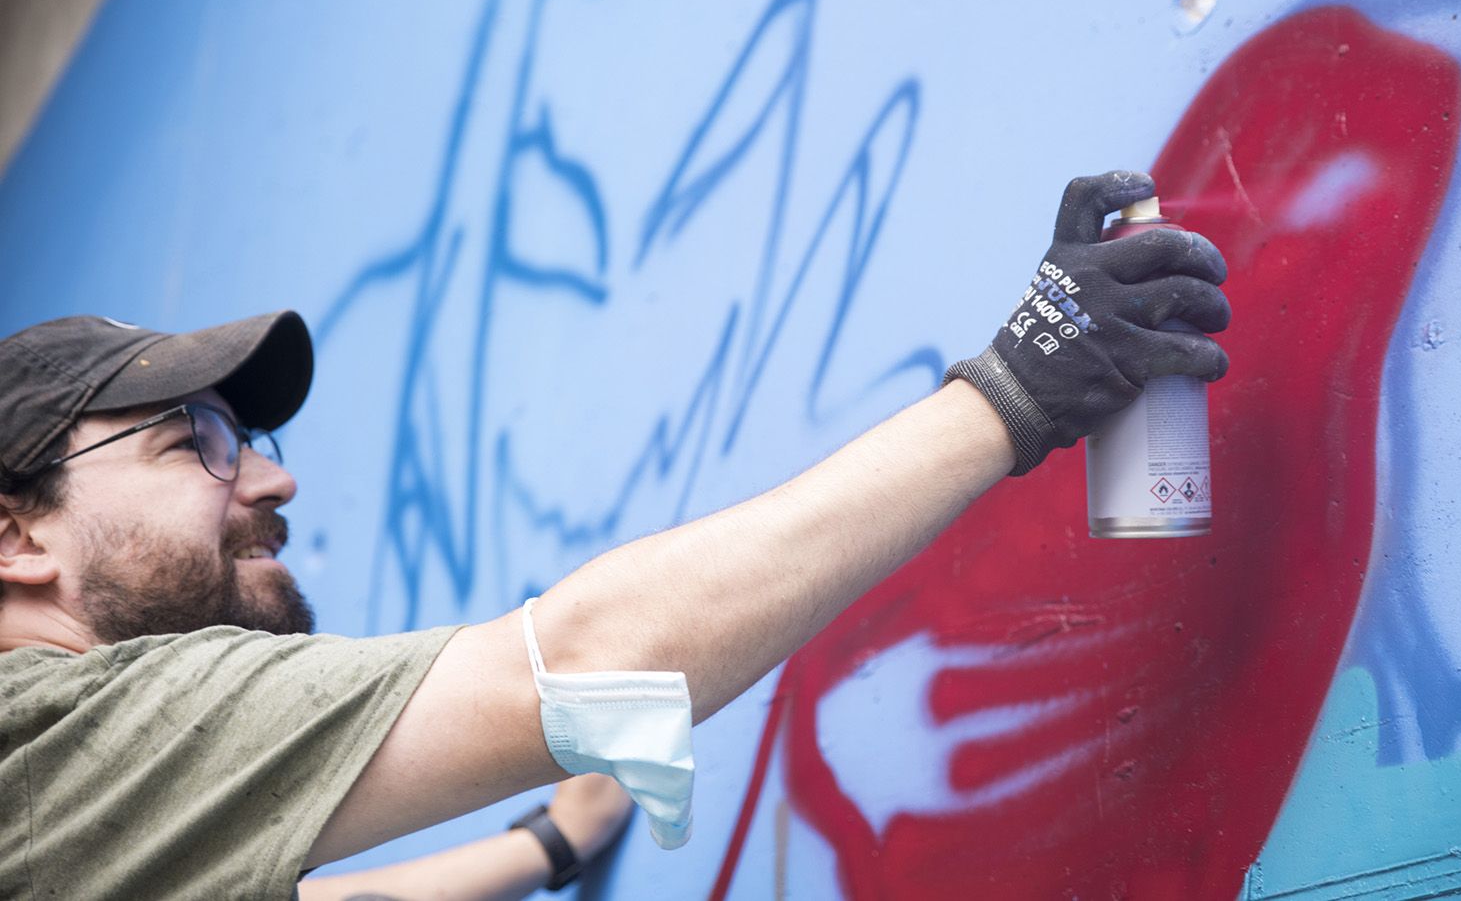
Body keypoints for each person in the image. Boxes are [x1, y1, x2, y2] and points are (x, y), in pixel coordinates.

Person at [0, 171, 1229, 899]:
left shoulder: (80, 827)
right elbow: (589, 667)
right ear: (17, 540)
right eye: (193, 441)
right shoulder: (34, 742)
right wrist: (1015, 391)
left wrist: (538, 845)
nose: (269, 477)